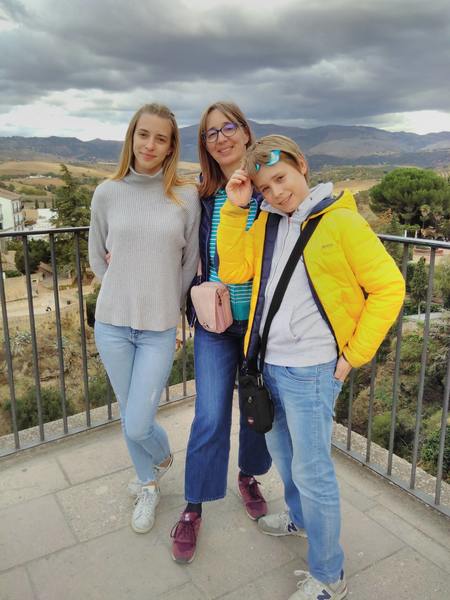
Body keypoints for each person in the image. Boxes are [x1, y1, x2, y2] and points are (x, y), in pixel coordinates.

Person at [217, 135, 405, 600]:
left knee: (314, 472)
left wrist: (353, 355)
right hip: (269, 365)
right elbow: (235, 271)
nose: (277, 193)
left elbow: (389, 287)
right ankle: (299, 518)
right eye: (265, 187)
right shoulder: (266, 222)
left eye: (281, 178)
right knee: (285, 459)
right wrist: (236, 211)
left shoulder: (342, 222)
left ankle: (328, 575)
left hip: (313, 372)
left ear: (301, 165)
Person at [88, 103, 200, 535]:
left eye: (161, 138)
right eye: (144, 134)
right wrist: (124, 284)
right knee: (128, 412)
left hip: (158, 329)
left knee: (138, 421)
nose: (150, 145)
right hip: (112, 324)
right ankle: (148, 485)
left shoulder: (185, 196)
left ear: (171, 146)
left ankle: (162, 454)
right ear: (132, 137)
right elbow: (97, 257)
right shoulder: (107, 193)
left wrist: (168, 307)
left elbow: (188, 264)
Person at [170, 102, 272, 563]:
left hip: (261, 325)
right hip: (215, 323)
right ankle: (194, 505)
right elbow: (173, 237)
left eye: (228, 127)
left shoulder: (269, 189)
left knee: (256, 407)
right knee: (210, 415)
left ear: (246, 132)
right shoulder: (203, 196)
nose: (221, 138)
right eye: (211, 133)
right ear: (205, 145)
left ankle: (248, 476)